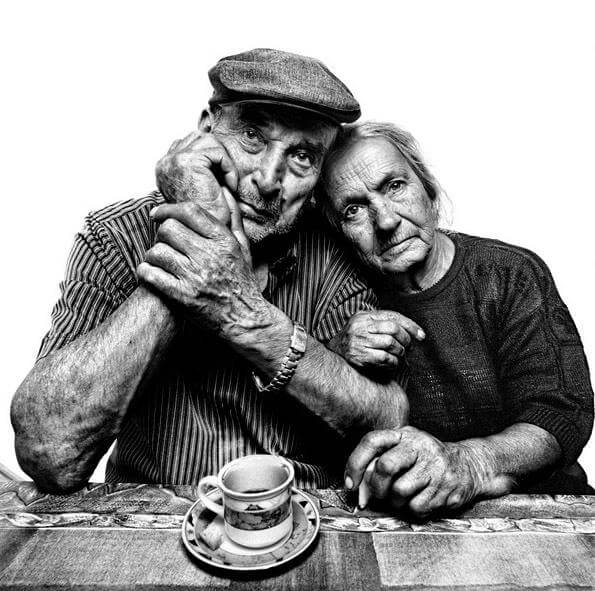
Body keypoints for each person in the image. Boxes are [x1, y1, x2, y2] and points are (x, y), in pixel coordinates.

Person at [10, 50, 415, 493]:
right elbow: (50, 452)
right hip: (153, 515)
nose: (268, 179)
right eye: (252, 136)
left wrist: (239, 311)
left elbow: (387, 419)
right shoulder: (115, 237)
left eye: (302, 156)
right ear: (205, 131)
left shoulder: (332, 247)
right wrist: (195, 244)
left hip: (300, 511)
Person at [321, 121, 594, 517]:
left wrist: (470, 462)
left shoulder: (508, 274)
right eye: (354, 210)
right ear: (338, 232)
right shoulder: (341, 300)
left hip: (536, 508)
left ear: (428, 189)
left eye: (394, 186)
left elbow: (560, 413)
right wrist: (334, 353)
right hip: (410, 519)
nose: (385, 221)